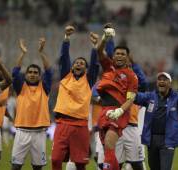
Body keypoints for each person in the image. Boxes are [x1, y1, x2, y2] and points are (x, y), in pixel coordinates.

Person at [51, 25, 98, 170]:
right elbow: (64, 58)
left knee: (80, 163)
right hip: (62, 123)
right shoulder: (66, 76)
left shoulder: (88, 80)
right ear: (71, 67)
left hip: (80, 125)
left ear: (86, 69)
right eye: (77, 62)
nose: (79, 64)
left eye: (82, 63)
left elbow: (95, 65)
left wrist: (95, 47)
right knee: (55, 159)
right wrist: (66, 39)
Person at [134, 72, 178, 170]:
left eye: (164, 79)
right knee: (154, 167)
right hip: (152, 140)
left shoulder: (176, 97)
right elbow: (135, 97)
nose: (162, 81)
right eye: (159, 79)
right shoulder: (150, 96)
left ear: (170, 83)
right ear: (157, 83)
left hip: (168, 140)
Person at [96, 25, 138, 170]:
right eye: (117, 54)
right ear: (113, 56)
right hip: (104, 111)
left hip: (118, 112)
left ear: (127, 58)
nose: (119, 56)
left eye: (123, 54)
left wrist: (120, 111)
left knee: (109, 143)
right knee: (107, 149)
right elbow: (99, 51)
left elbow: (130, 99)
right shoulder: (108, 67)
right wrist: (104, 38)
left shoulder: (132, 76)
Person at [11, 38, 52, 170]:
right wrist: (23, 53)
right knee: (16, 166)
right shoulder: (20, 87)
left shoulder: (44, 88)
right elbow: (15, 73)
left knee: (37, 167)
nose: (32, 74)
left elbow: (49, 71)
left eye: (35, 73)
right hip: (22, 131)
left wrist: (41, 52)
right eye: (30, 72)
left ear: (40, 76)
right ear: (26, 75)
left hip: (39, 133)